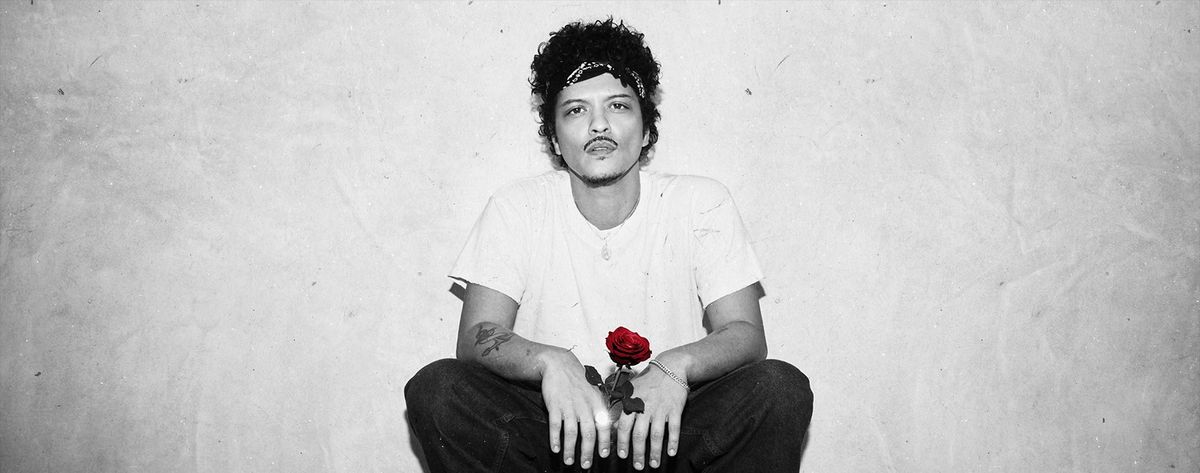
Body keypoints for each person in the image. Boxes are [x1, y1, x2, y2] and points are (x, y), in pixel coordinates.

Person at [406, 18, 812, 473]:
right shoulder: (516, 207)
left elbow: (746, 333)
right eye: (575, 110)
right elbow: (476, 336)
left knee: (779, 388)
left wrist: (674, 367)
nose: (599, 124)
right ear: (554, 137)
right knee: (439, 388)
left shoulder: (701, 202)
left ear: (647, 128)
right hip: (554, 438)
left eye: (618, 105)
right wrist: (550, 363)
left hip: (665, 434)